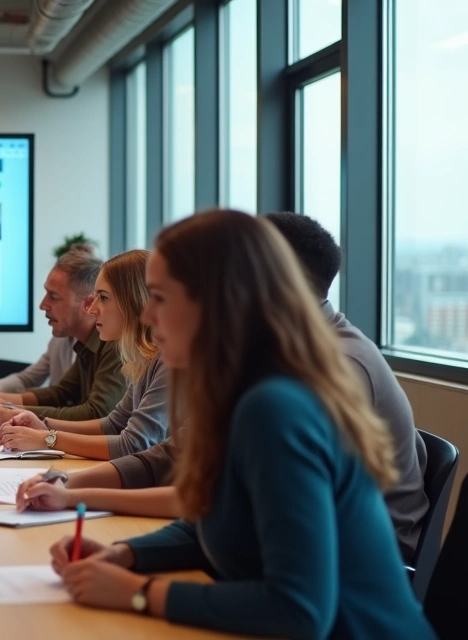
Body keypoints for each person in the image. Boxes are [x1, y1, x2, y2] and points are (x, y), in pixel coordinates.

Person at [49, 210, 433, 639]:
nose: (147, 316)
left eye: (160, 297)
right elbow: (216, 520)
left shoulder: (276, 405)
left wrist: (139, 592)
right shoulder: (245, 387)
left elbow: (299, 612)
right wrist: (123, 555)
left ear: (218, 300)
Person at [0, 250, 166, 460]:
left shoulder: (167, 361)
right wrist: (43, 426)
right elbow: (114, 423)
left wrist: (47, 438)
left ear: (133, 302)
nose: (92, 309)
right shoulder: (143, 359)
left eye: (102, 298)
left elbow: (131, 444)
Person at [0, 250, 127, 427]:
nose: (42, 305)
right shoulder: (86, 343)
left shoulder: (116, 343)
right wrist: (0, 401)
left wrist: (12, 412)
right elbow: (62, 392)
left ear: (87, 304)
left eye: (54, 297)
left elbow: (97, 414)